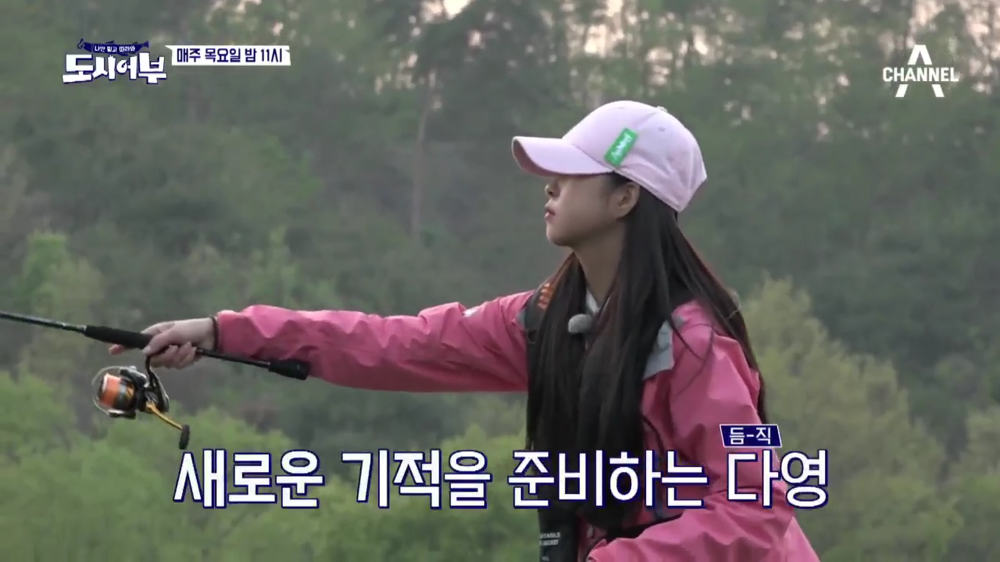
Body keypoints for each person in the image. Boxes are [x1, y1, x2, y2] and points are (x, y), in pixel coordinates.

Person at [110, 100, 819, 561]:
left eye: (572, 173)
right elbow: (391, 343)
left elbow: (759, 506)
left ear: (627, 197)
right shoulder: (543, 321)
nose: (549, 185)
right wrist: (225, 331)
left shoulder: (698, 348)